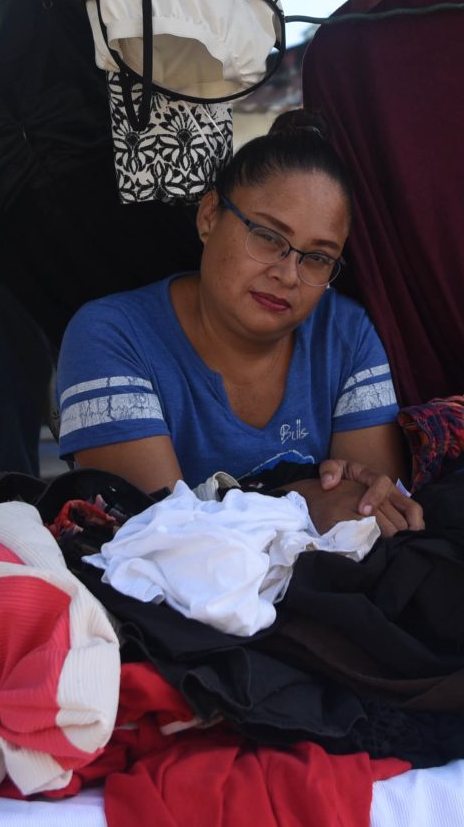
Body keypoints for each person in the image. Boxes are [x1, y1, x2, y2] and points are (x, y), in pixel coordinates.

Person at [52, 110, 420, 533]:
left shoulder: (346, 335)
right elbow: (161, 536)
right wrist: (303, 499)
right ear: (209, 215)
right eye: (267, 236)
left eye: (317, 258)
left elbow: (369, 514)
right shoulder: (110, 337)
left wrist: (316, 505)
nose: (286, 274)